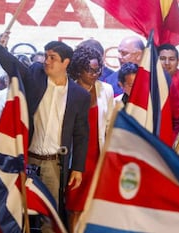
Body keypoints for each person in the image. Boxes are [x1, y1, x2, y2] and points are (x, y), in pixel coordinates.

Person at [0, 12, 90, 231]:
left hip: (53, 165)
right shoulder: (35, 75)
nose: (47, 61)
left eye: (53, 58)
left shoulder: (79, 95)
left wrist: (77, 168)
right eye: (46, 56)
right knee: (20, 215)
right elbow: (8, 60)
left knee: (49, 216)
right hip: (26, 159)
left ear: (65, 63)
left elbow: (81, 133)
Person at [65, 45, 114, 233]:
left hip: (97, 155)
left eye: (98, 69)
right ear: (78, 69)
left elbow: (109, 123)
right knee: (73, 204)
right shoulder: (68, 90)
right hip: (75, 156)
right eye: (90, 70)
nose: (95, 74)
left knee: (92, 204)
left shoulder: (106, 90)